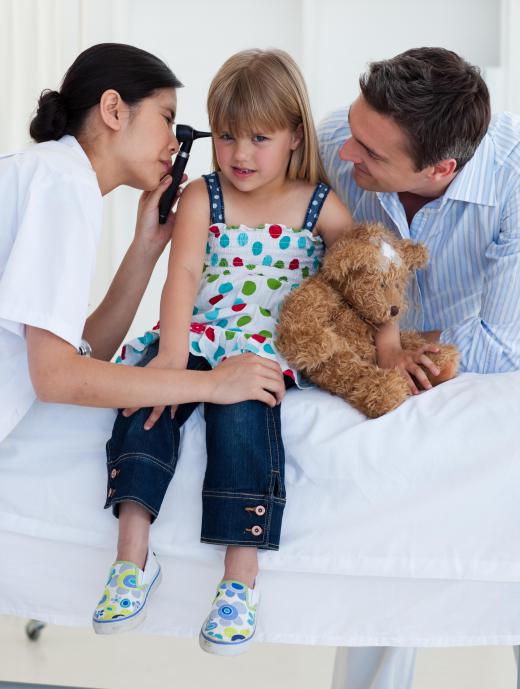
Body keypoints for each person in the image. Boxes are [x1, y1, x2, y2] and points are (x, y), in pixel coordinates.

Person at [93, 48, 357, 652]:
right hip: (201, 337)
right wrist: (169, 356)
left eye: (259, 138)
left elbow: (368, 273)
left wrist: (374, 346)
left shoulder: (319, 205)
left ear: (294, 135)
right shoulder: (201, 197)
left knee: (244, 418)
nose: (240, 155)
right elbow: (182, 275)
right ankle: (131, 559)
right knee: (144, 408)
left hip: (270, 348)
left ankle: (240, 579)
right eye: (229, 136)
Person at [318, 46, 520, 689]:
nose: (347, 155)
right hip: (379, 375)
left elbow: (503, 347)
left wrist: (401, 341)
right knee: (378, 560)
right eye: (353, 132)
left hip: (482, 385)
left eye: (371, 154)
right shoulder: (334, 142)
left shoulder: (514, 176)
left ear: (441, 169)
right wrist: (378, 352)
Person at [0, 46, 286, 486]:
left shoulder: (49, 175)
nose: (174, 143)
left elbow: (80, 356)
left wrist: (145, 249)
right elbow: (56, 377)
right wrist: (213, 385)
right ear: (114, 109)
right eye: (167, 117)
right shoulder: (62, 183)